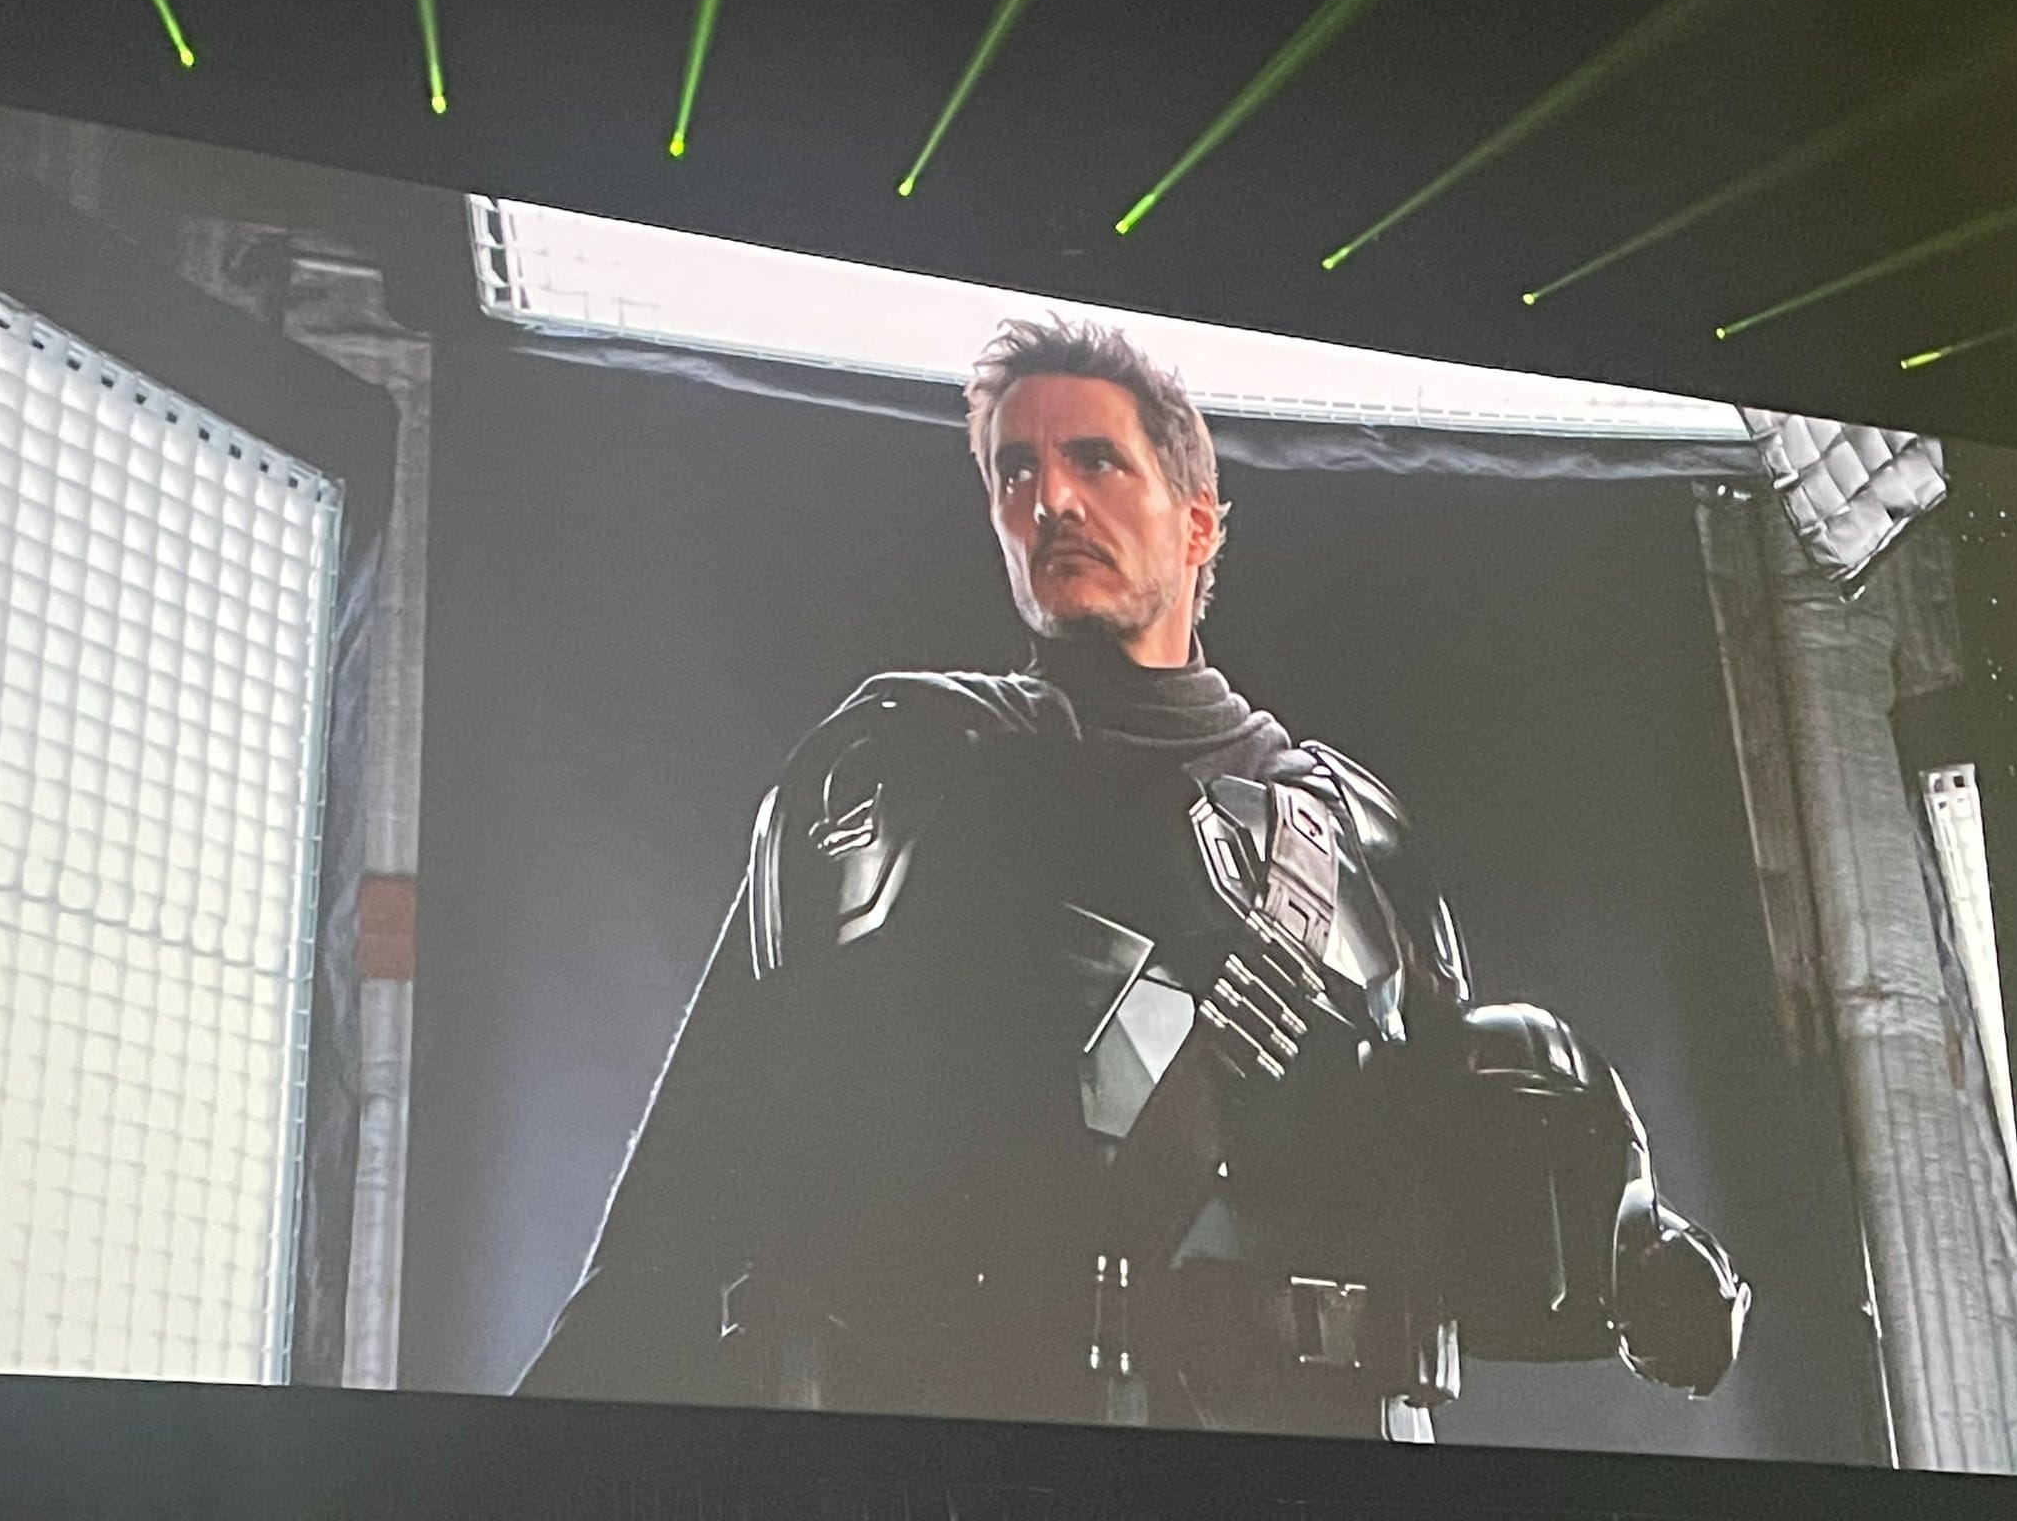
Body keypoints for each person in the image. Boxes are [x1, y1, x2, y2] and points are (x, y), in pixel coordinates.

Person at [516, 318, 1749, 1440]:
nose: (1047, 496)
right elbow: (680, 1210)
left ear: (1197, 519)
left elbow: (1453, 1184)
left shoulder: (1352, 834)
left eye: (1095, 460)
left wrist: (1640, 1255)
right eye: (1014, 469)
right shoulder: (906, 777)